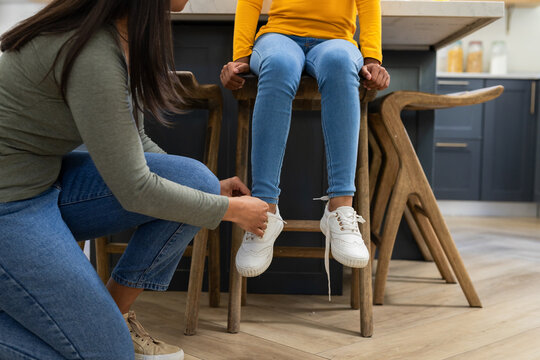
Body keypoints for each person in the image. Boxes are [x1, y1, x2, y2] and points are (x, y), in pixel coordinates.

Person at [0, 0, 269, 359]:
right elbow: (134, 190)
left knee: (197, 180)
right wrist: (228, 210)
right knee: (112, 353)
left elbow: (135, 143)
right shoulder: (92, 52)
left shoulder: (121, 36)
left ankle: (108, 315)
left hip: (45, 182)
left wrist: (205, 193)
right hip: (10, 205)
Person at [220, 0, 390, 292]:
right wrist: (241, 54)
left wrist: (372, 56)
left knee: (340, 63)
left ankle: (340, 208)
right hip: (278, 38)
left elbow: (368, 3)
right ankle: (264, 212)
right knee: (279, 64)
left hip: (337, 40)